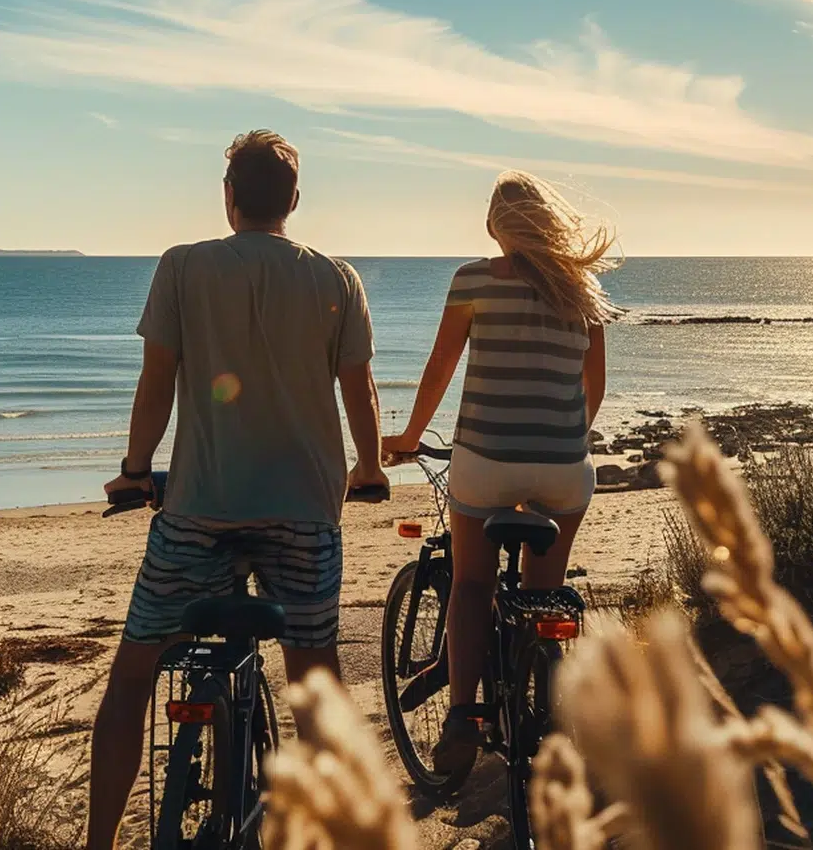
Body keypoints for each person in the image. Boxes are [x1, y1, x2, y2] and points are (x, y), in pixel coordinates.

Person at [84, 129, 388, 850]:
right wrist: (369, 467)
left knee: (132, 677)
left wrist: (135, 469)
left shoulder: (183, 267)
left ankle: (97, 843)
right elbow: (359, 389)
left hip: (199, 511)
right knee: (316, 683)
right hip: (304, 515)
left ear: (227, 199)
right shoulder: (337, 278)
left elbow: (157, 382)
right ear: (293, 201)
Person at [380, 169, 620, 779]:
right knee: (543, 592)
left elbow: (439, 370)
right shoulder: (584, 290)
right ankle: (540, 698)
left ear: (495, 225)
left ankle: (463, 716)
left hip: (484, 464)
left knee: (470, 585)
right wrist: (562, 438)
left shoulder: (473, 279)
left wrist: (408, 439)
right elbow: (595, 389)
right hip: (565, 470)